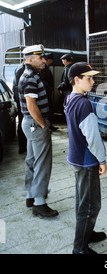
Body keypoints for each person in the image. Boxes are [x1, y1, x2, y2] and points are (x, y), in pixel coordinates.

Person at [64, 62, 107, 254]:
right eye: (88, 78)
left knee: (83, 201)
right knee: (90, 205)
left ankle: (86, 234)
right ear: (77, 80)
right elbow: (93, 138)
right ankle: (80, 248)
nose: (93, 81)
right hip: (86, 160)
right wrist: (103, 160)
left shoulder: (70, 98)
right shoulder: (84, 104)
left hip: (76, 158)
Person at [18, 44, 59, 218]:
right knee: (42, 163)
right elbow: (31, 105)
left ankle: (30, 195)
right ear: (30, 59)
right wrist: (43, 124)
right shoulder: (30, 77)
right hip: (35, 124)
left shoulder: (29, 75)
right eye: (40, 57)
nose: (44, 60)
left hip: (30, 124)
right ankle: (40, 203)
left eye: (43, 57)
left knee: (32, 160)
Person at [39, 53, 58, 131]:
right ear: (49, 60)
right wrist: (50, 89)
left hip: (48, 91)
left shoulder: (47, 67)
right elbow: (43, 80)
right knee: (49, 108)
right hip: (46, 91)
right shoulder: (44, 68)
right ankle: (48, 125)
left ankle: (50, 124)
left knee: (51, 108)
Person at [12, 60, 27, 154]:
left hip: (20, 100)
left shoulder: (20, 67)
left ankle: (23, 146)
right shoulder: (22, 69)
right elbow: (19, 88)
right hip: (22, 101)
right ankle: (22, 147)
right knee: (22, 123)